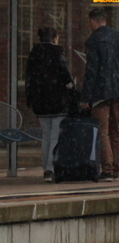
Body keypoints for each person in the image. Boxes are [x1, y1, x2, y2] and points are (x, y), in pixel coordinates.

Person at [80, 8, 119, 181]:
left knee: (102, 131)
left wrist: (85, 98)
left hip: (101, 92)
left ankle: (108, 170)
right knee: (116, 131)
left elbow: (91, 72)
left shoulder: (94, 41)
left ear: (93, 21)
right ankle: (117, 169)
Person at [25, 27, 75, 182]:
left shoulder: (34, 54)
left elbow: (29, 78)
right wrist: (71, 88)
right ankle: (51, 168)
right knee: (55, 137)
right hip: (57, 101)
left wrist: (31, 98)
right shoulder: (56, 52)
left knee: (46, 137)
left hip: (41, 102)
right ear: (54, 39)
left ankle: (46, 169)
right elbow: (65, 74)